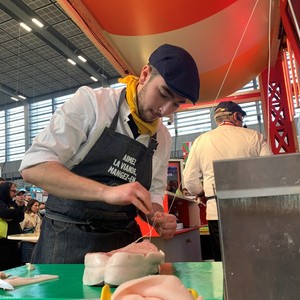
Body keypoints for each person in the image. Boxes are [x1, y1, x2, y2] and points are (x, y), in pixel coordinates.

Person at [19, 44, 200, 263]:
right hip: (66, 239)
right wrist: (105, 192)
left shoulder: (162, 137)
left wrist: (156, 216)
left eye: (177, 104)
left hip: (123, 245)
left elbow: (153, 194)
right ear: (145, 75)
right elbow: (34, 167)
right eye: (163, 94)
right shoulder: (92, 105)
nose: (165, 110)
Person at [183, 101, 273, 261]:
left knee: (224, 261)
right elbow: (269, 171)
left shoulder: (201, 140)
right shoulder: (255, 137)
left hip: (216, 210)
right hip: (251, 210)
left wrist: (202, 194)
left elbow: (189, 180)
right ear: (236, 116)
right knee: (255, 260)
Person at [0, 182, 25, 271]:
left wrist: (12, 213)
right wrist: (13, 213)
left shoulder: (12, 203)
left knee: (13, 267)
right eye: (13, 191)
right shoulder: (1, 202)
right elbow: (4, 213)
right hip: (2, 241)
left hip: (13, 240)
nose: (15, 193)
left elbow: (21, 217)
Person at [19, 199, 42, 264]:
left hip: (36, 242)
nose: (37, 207)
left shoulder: (37, 216)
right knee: (27, 263)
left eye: (38, 206)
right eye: (35, 206)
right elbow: (21, 229)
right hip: (27, 242)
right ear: (30, 206)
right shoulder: (25, 216)